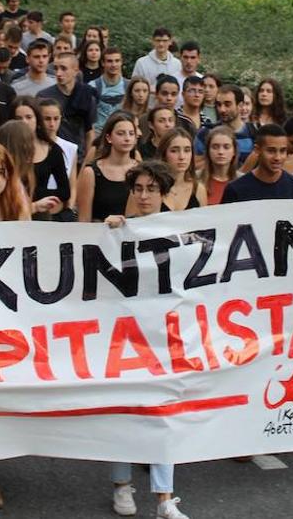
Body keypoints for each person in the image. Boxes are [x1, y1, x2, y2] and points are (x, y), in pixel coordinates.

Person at [102, 160, 191, 519]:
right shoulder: (116, 230)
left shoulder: (180, 230)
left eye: (151, 189)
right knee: (124, 410)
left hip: (164, 334)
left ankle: (164, 499)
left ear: (163, 192)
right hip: (122, 335)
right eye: (137, 189)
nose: (143, 195)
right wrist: (109, 232)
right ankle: (121, 486)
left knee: (163, 413)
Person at [222, 124, 293, 202]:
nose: (278, 157)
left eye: (282, 151)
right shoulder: (236, 189)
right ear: (257, 150)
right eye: (271, 151)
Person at [77, 112, 139, 223]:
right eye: (121, 133)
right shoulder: (91, 172)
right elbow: (84, 219)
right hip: (99, 235)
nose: (127, 138)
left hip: (132, 236)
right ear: (109, 138)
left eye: (131, 133)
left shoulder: (141, 170)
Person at [38, 51, 96, 154]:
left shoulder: (86, 95)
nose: (59, 73)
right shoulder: (44, 97)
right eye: (56, 69)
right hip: (51, 153)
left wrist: (88, 162)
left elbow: (89, 131)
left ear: (75, 70)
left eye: (64, 68)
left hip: (78, 155)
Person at [194, 84, 255, 165]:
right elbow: (195, 167)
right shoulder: (206, 133)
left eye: (227, 104)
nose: (222, 109)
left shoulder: (254, 133)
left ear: (240, 105)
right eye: (219, 104)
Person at [156, 128, 205, 211]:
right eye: (174, 151)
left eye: (187, 150)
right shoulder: (148, 187)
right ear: (164, 154)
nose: (182, 157)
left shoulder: (199, 190)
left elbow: (205, 222)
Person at [90, 45, 127, 132]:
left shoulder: (129, 86)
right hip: (99, 134)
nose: (114, 65)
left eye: (117, 61)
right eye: (110, 61)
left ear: (121, 62)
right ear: (103, 63)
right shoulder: (93, 86)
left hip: (122, 134)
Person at [198, 126, 238, 206]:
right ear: (208, 150)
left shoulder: (242, 181)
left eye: (226, 147)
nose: (220, 152)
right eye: (215, 147)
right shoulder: (195, 180)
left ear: (234, 151)